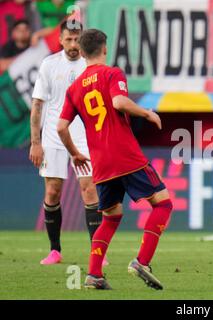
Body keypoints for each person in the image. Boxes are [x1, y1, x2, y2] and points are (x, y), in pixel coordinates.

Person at [57, 28, 173, 290]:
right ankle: (142, 262)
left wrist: (75, 153)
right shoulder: (112, 73)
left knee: (111, 217)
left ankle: (94, 274)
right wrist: (146, 113)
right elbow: (119, 102)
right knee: (163, 204)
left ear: (83, 52)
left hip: (100, 164)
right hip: (125, 155)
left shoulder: (74, 88)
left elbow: (61, 127)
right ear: (105, 49)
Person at [29, 20, 104, 265]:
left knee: (89, 189)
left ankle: (97, 254)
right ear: (60, 40)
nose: (73, 44)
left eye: (77, 39)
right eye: (68, 39)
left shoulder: (90, 65)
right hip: (53, 137)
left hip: (84, 137)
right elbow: (38, 104)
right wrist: (35, 142)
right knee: (52, 192)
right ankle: (55, 250)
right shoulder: (49, 65)